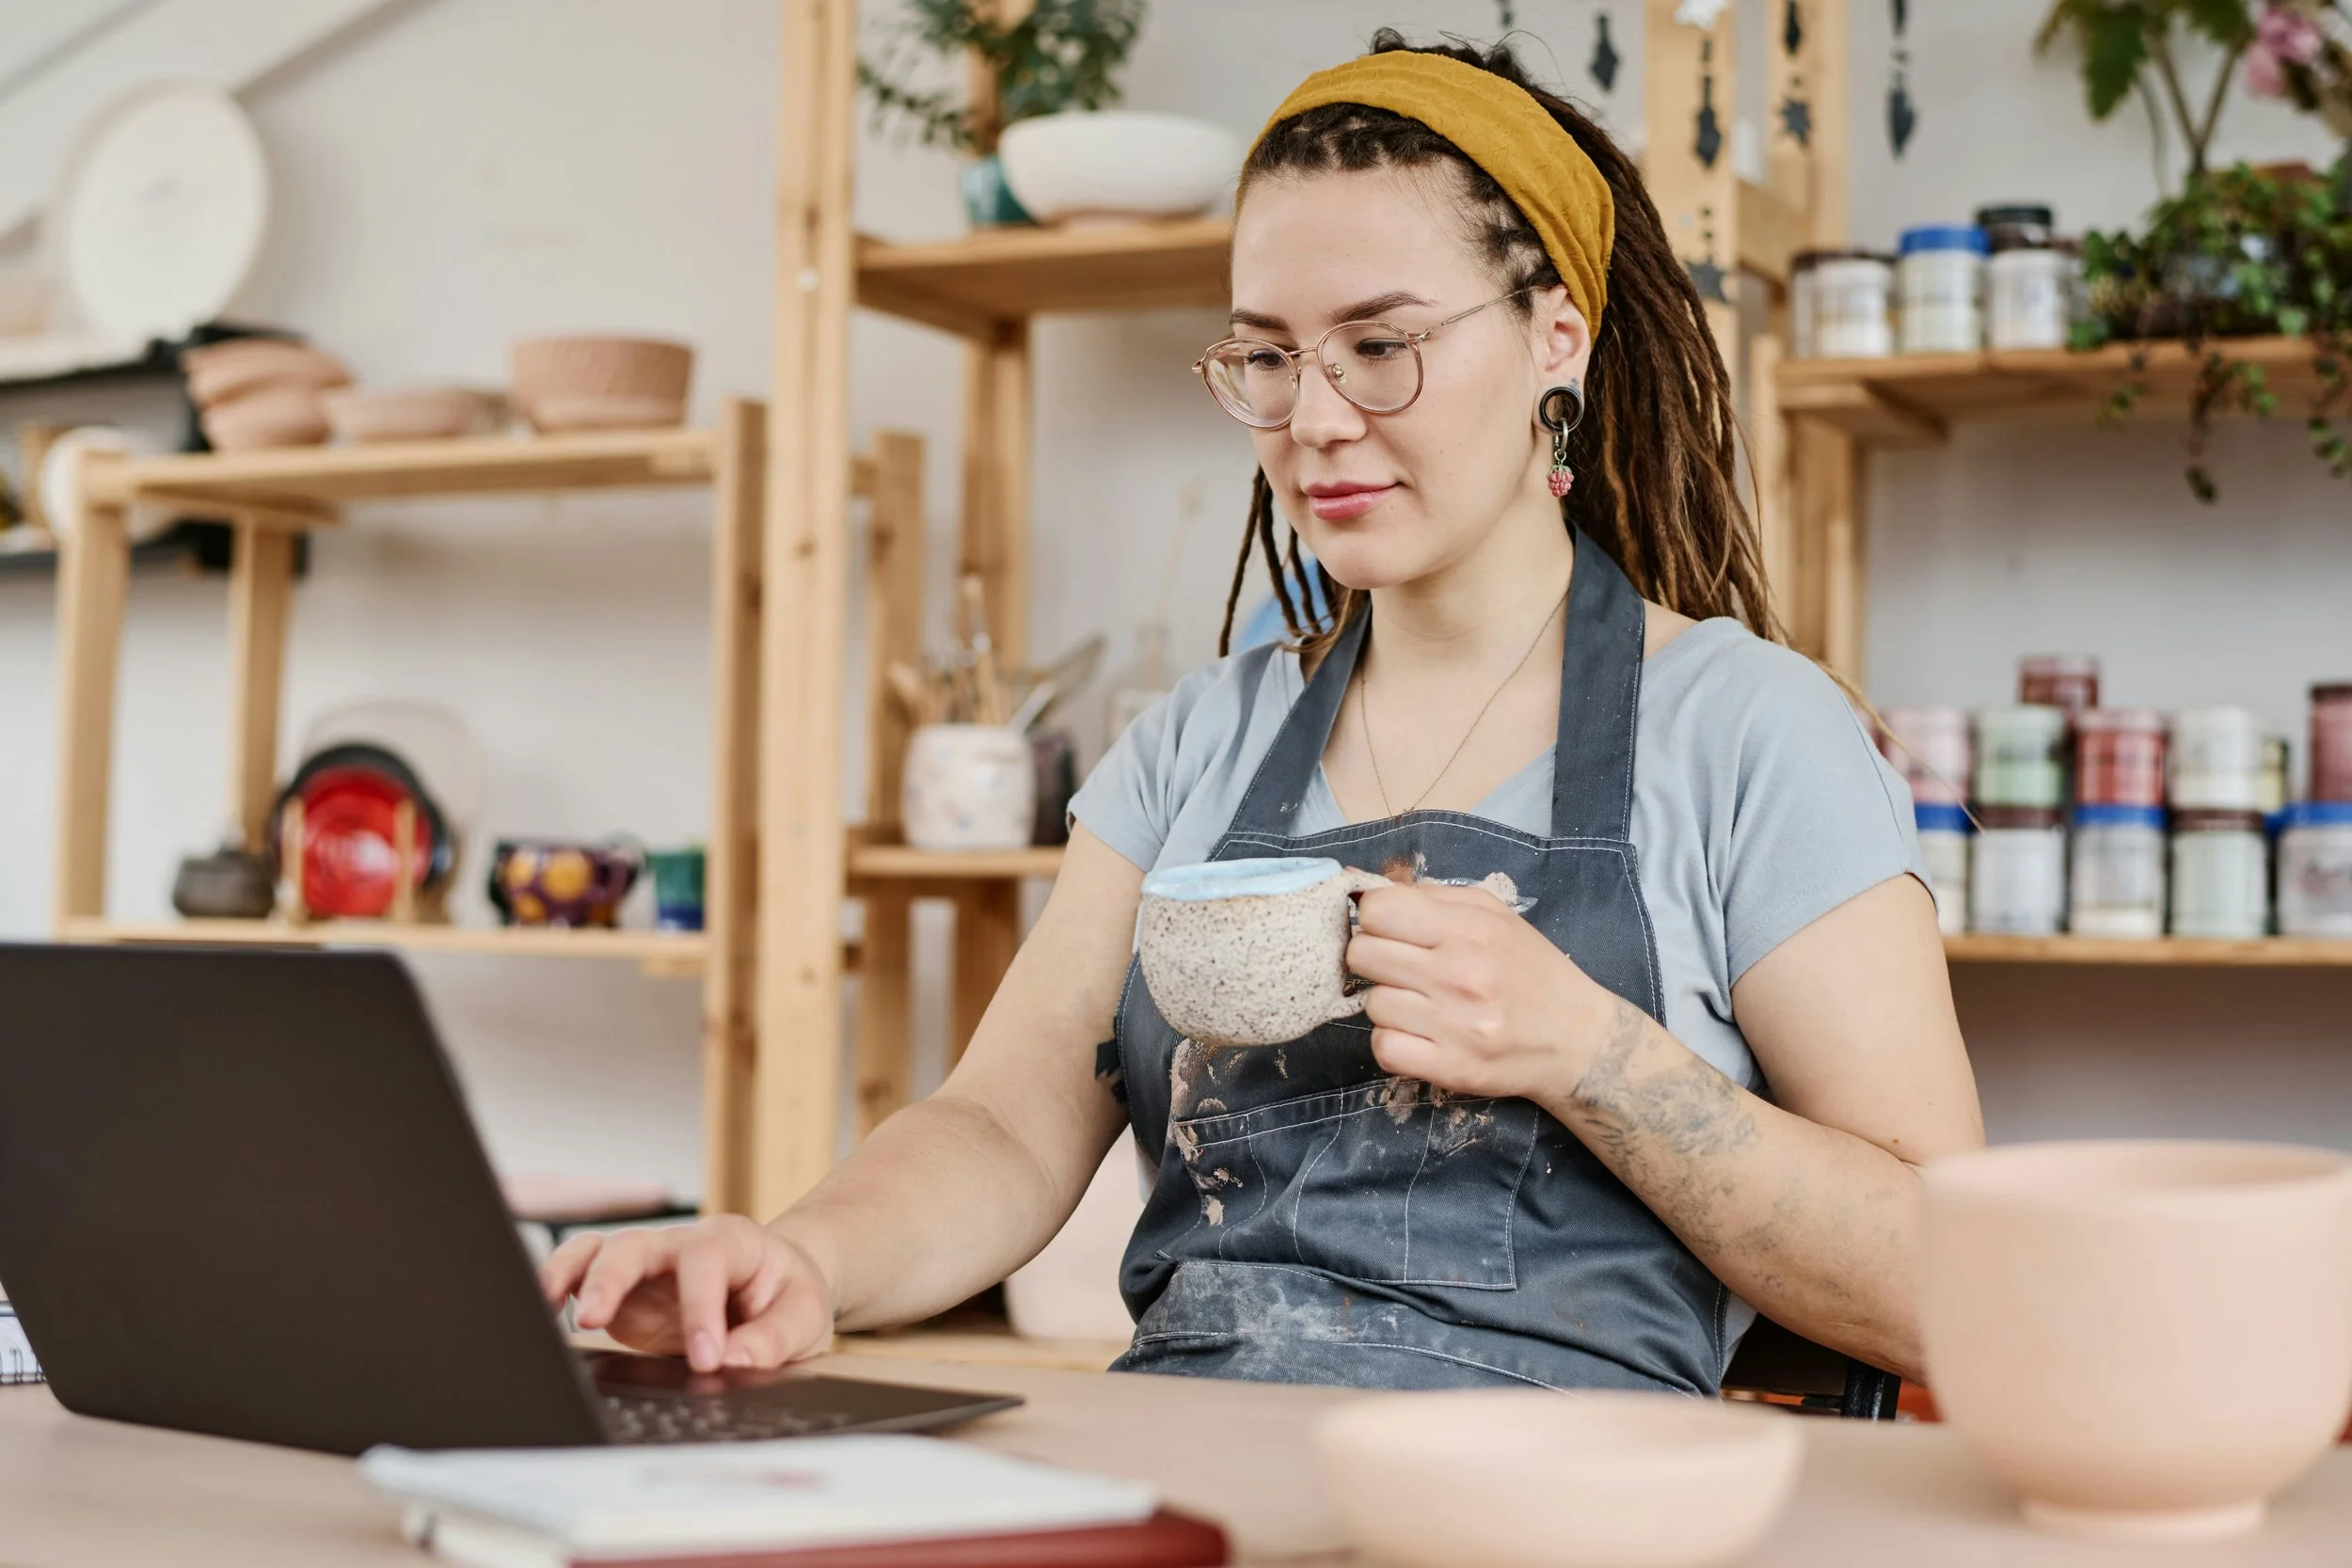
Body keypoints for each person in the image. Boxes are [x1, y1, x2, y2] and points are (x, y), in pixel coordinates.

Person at [541, 31, 1982, 1395]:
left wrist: (1589, 1051)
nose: (1318, 418)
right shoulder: (1197, 742)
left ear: (1558, 337)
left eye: (1381, 343)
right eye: (1269, 356)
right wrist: (799, 1255)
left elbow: (1945, 1279)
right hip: (1201, 1462)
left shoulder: (1748, 733)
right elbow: (1000, 1123)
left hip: (1547, 1505)